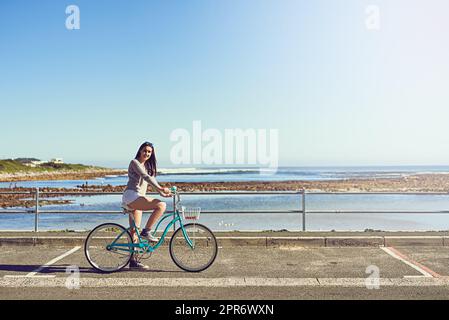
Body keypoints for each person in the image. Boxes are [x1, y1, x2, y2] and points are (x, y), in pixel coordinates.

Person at [121, 141, 172, 270]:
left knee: (134, 232)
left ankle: (133, 262)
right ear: (140, 151)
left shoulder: (146, 167)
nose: (147, 153)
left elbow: (149, 180)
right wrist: (161, 188)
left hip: (137, 198)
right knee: (161, 206)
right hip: (132, 196)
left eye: (149, 152)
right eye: (145, 151)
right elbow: (145, 177)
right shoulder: (135, 163)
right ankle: (147, 231)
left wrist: (161, 191)